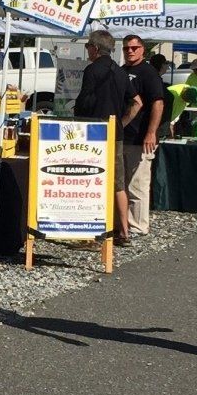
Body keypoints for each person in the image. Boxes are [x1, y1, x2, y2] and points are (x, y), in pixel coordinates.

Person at [74, 28, 133, 243]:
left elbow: (84, 102)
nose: (88, 50)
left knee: (91, 179)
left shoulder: (92, 70)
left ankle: (90, 232)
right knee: (118, 183)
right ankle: (124, 231)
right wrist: (122, 122)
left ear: (96, 48)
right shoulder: (121, 71)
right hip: (115, 132)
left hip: (93, 133)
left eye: (88, 46)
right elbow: (137, 102)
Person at [120, 36, 168, 236]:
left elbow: (158, 103)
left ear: (143, 50)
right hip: (122, 136)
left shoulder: (149, 73)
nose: (130, 51)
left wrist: (151, 132)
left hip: (141, 137)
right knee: (122, 183)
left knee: (137, 184)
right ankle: (123, 224)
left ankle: (138, 226)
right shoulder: (121, 71)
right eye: (126, 48)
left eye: (134, 48)